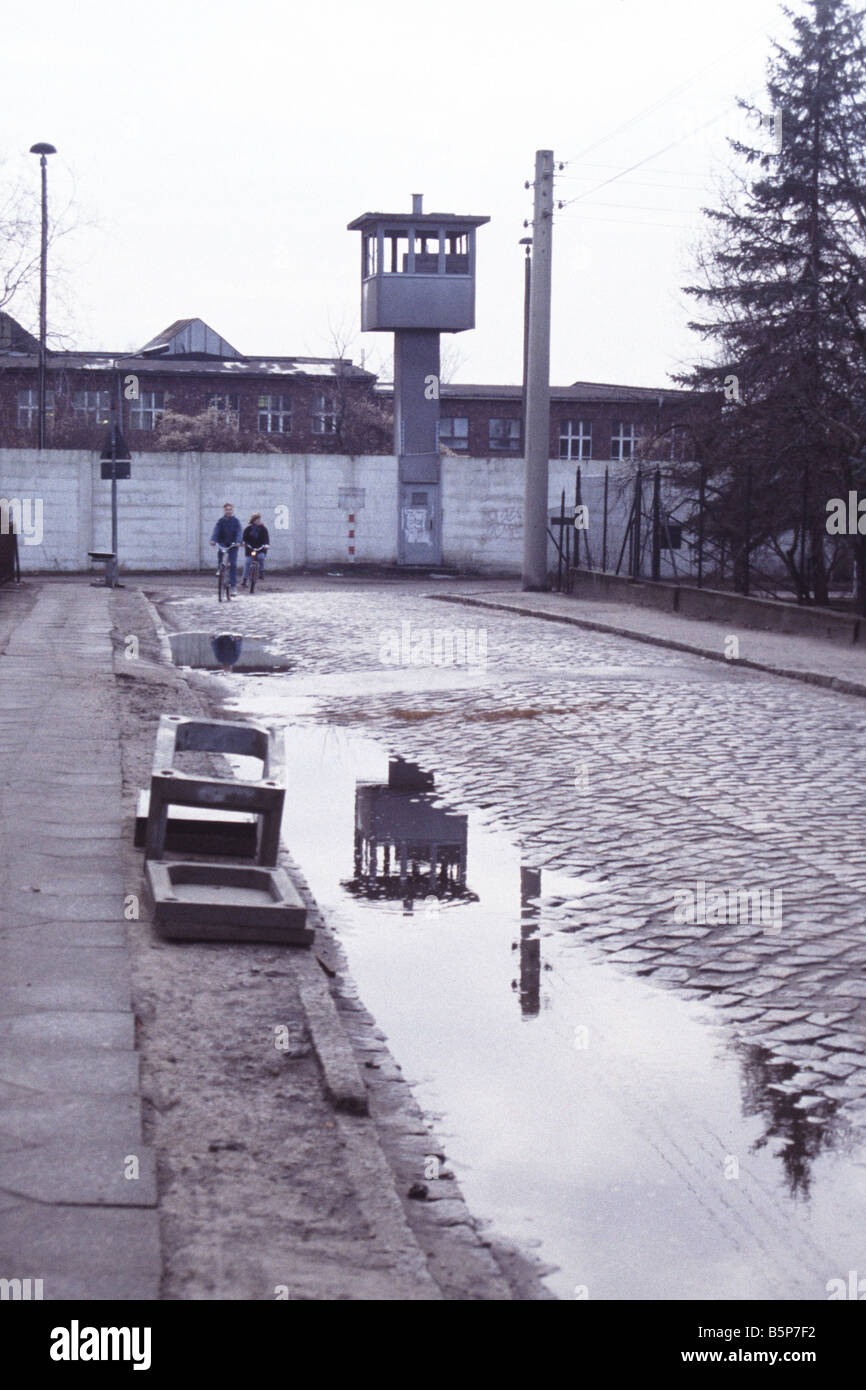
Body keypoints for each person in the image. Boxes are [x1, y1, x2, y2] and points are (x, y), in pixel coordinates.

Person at [209, 502, 242, 594]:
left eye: (230, 509)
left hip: (233, 545)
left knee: (233, 564)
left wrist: (238, 541)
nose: (228, 511)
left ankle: (234, 586)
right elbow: (216, 531)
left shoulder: (236, 521)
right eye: (226, 509)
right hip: (223, 543)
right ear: (224, 511)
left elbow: (239, 532)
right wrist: (213, 540)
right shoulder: (221, 521)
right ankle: (220, 568)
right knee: (221, 554)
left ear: (232, 510)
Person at [241, 512, 270, 588]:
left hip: (260, 549)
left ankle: (261, 571)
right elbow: (244, 538)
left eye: (259, 519)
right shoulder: (248, 529)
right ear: (253, 521)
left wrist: (266, 545)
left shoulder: (263, 529)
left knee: (261, 557)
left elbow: (266, 539)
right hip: (250, 549)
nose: (259, 521)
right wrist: (244, 543)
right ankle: (244, 579)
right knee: (247, 562)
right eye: (257, 520)